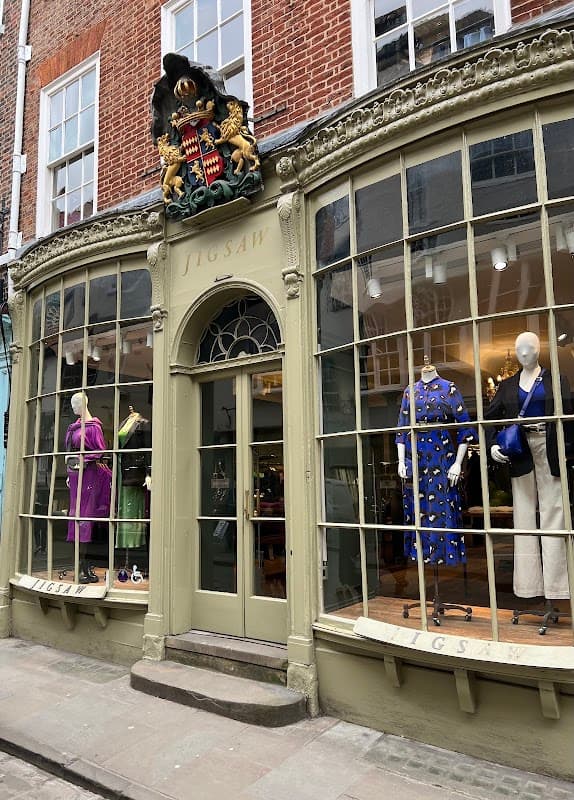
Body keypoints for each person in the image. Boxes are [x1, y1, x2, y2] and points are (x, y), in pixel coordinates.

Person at [486, 331, 571, 600]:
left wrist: (568, 451)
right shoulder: (507, 386)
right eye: (519, 348)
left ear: (538, 350)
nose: (524, 352)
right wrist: (492, 444)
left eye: (530, 347)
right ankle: (528, 587)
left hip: (550, 446)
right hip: (520, 449)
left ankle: (558, 588)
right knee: (523, 516)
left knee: (554, 514)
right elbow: (489, 419)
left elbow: (568, 418)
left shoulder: (556, 380)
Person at [396, 358, 476, 564]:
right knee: (417, 504)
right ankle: (421, 553)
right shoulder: (409, 391)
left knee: (443, 501)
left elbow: (465, 428)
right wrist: (401, 460)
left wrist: (458, 463)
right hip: (415, 453)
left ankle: (444, 554)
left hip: (441, 451)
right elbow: (402, 428)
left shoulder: (449, 388)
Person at [65, 392, 112, 583]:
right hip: (75, 475)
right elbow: (68, 452)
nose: (73, 407)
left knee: (84, 517)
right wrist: (69, 472)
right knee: (76, 517)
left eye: (75, 403)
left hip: (88, 475)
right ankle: (81, 566)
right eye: (71, 404)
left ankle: (84, 566)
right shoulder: (74, 426)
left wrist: (83, 459)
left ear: (84, 403)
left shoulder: (93, 428)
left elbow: (100, 451)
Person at [116, 406, 151, 550]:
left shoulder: (143, 424)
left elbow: (148, 449)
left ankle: (133, 542)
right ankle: (122, 542)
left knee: (133, 505)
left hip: (134, 470)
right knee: (122, 504)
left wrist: (149, 473)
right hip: (121, 467)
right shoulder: (123, 423)